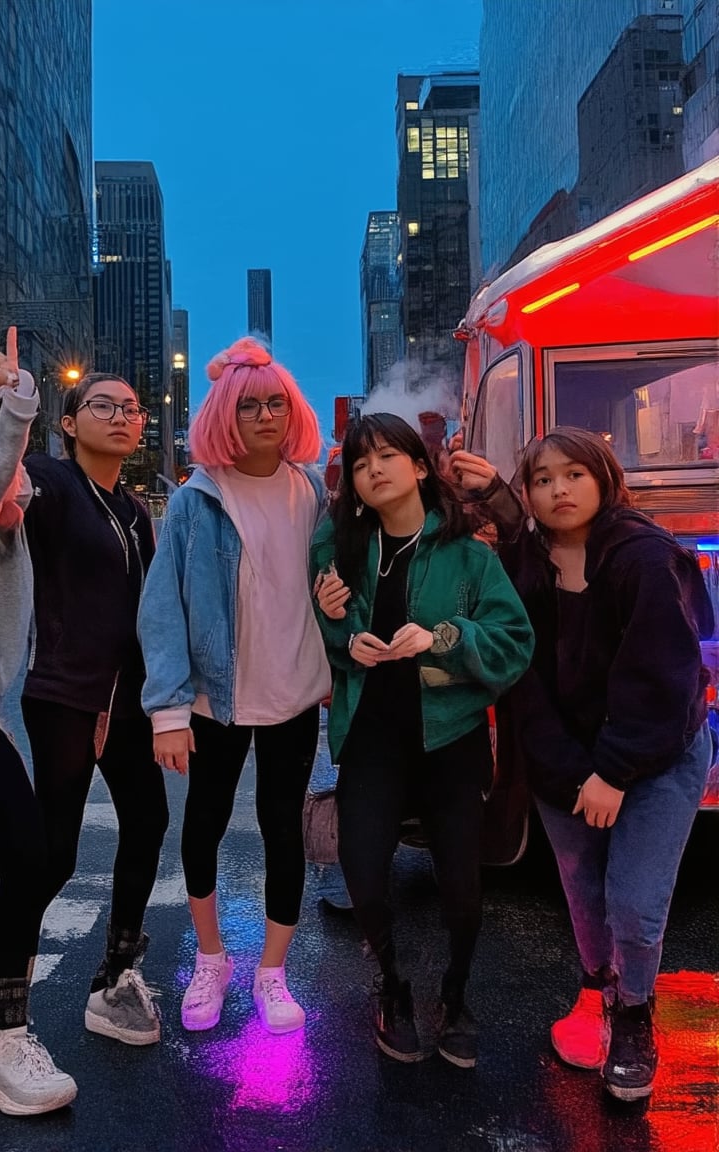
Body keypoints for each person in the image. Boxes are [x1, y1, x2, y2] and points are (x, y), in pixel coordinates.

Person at [451, 429, 713, 1101]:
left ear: (604, 477)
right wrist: (573, 773)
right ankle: (597, 988)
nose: (558, 490)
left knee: (634, 900)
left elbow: (663, 682)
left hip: (656, 757)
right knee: (582, 891)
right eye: (542, 480)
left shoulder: (645, 559)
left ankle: (634, 1013)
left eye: (573, 474)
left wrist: (615, 773)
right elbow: (525, 680)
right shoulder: (526, 562)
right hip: (567, 757)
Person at [311, 413, 534, 1066]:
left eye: (386, 455)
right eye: (359, 463)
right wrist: (343, 635)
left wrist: (446, 637)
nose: (373, 469)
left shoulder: (467, 552)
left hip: (451, 740)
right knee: (364, 875)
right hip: (372, 738)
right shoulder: (342, 547)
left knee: (463, 892)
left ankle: (455, 994)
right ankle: (392, 987)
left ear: (417, 465)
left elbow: (515, 640)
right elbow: (329, 626)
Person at [138, 336, 329, 1035]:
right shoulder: (197, 499)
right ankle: (212, 959)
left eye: (277, 402)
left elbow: (335, 584)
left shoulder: (312, 489)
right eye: (250, 405)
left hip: (295, 690)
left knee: (284, 829)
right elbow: (163, 610)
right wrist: (166, 712)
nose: (266, 415)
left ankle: (271, 972)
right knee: (205, 825)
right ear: (225, 412)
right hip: (215, 699)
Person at [21, 369, 169, 1046]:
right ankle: (6, 997)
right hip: (65, 694)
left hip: (129, 698)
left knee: (149, 818)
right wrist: (9, 418)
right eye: (100, 405)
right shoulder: (49, 484)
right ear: (70, 423)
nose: (119, 416)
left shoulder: (137, 511)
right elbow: (4, 494)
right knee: (53, 853)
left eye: (131, 409)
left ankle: (114, 975)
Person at [0, 327, 77, 1114]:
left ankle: (2, 1044)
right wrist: (16, 403)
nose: (12, 496)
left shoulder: (17, 545)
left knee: (36, 861)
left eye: (22, 492)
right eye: (5, 487)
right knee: (32, 860)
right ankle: (3, 1046)